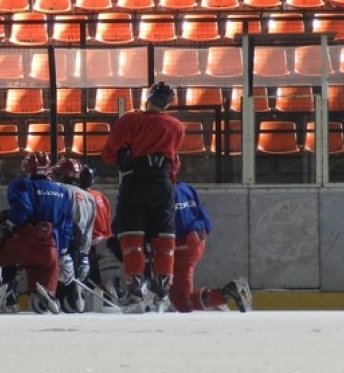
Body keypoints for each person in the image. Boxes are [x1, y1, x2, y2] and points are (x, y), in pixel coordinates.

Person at [101, 81, 185, 313]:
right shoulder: (176, 126)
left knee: (132, 235)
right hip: (163, 183)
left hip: (135, 181)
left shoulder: (131, 120)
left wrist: (123, 156)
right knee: (163, 235)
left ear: (148, 97)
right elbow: (173, 159)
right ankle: (163, 290)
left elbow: (109, 153)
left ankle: (136, 288)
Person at [0, 151, 74, 314]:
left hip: (23, 243)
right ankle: (47, 292)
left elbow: (23, 209)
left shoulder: (22, 184)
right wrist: (63, 251)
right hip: (50, 249)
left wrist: (9, 223)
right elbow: (66, 226)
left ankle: (3, 286)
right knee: (47, 268)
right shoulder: (63, 192)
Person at [171, 182, 252, 313]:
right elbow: (207, 223)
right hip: (195, 245)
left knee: (181, 302)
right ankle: (216, 299)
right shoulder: (187, 188)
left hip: (181, 250)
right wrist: (196, 230)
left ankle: (223, 295)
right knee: (178, 298)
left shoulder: (161, 192)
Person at [50, 157, 97, 313]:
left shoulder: (56, 189)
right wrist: (85, 255)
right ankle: (73, 298)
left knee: (58, 280)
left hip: (58, 242)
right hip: (77, 247)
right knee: (73, 280)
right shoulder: (89, 198)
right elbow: (88, 230)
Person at [78, 165, 124, 304]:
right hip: (105, 241)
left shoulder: (81, 197)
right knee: (109, 277)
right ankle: (113, 295)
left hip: (90, 244)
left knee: (89, 277)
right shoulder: (101, 196)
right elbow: (108, 219)